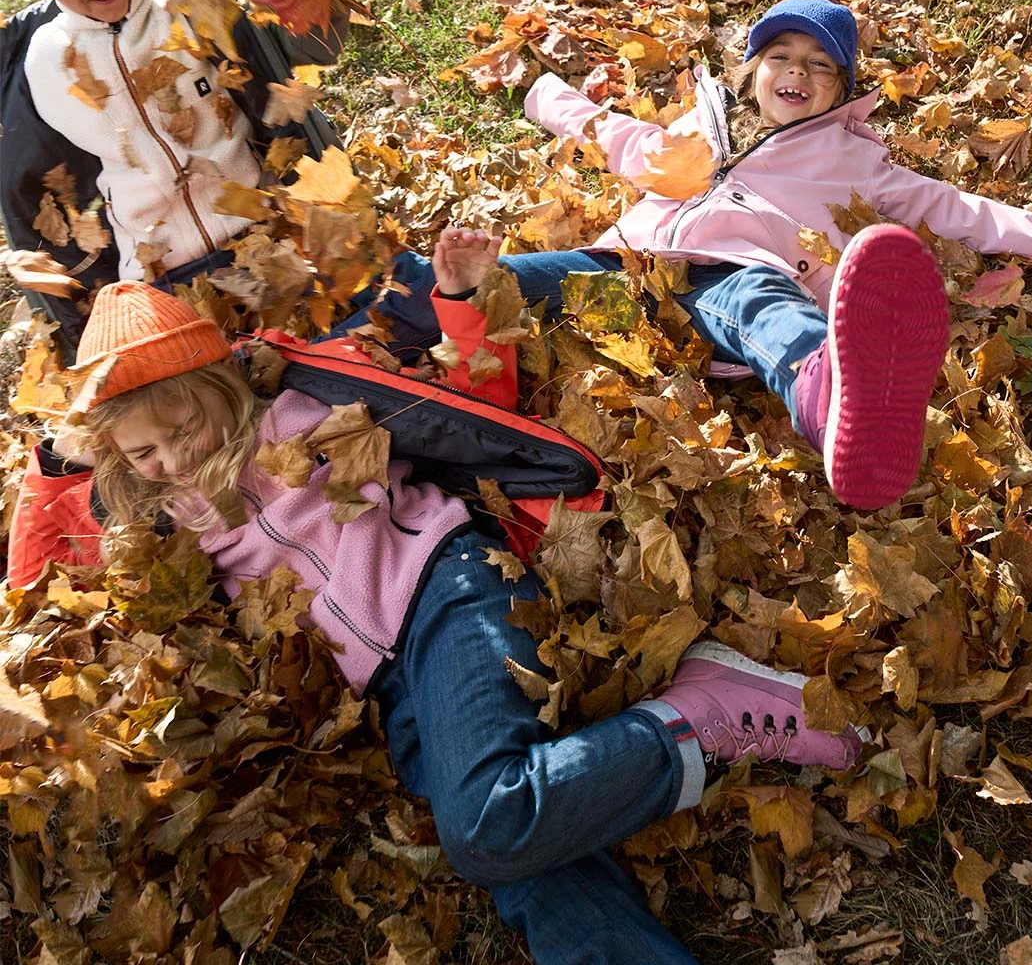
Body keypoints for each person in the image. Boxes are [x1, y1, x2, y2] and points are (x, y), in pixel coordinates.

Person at [8, 236, 867, 963]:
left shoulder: (305, 404)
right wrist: (53, 461)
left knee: (489, 824)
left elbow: (467, 406)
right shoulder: (160, 510)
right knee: (516, 858)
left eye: (182, 431)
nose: (168, 459)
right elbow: (39, 577)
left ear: (223, 393)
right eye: (143, 451)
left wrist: (458, 303)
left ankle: (697, 717)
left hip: (447, 588)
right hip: (381, 688)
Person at [333, 0, 1032, 511]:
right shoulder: (703, 127)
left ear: (844, 89)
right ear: (750, 71)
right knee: (511, 283)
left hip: (739, 279)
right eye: (781, 55)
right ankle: (380, 321)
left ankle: (833, 398)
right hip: (626, 268)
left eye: (820, 65)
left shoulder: (856, 162)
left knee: (770, 315)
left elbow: (958, 210)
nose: (797, 71)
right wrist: (545, 96)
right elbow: (621, 137)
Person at [0, 0, 346, 352]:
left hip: (268, 234)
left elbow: (315, 48)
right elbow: (37, 194)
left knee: (337, 350)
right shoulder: (40, 68)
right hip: (160, 282)